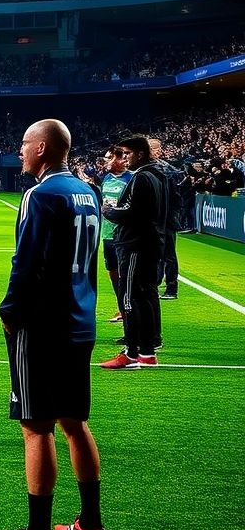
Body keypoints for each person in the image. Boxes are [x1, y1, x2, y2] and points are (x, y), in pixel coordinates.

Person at [0, 119, 106, 530]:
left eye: (25, 143)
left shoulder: (40, 194)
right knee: (74, 422)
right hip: (79, 321)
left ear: (41, 148)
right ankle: (91, 525)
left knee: (36, 427)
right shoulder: (87, 192)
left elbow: (26, 262)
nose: (20, 150)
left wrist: (9, 313)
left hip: (41, 326)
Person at [100, 135, 168, 369]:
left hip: (135, 245)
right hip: (151, 243)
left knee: (129, 298)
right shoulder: (158, 176)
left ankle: (131, 352)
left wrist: (109, 212)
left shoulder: (142, 178)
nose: (126, 158)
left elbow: (134, 213)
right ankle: (147, 352)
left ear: (140, 154)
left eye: (128, 154)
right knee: (146, 296)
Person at [97, 146, 132, 324]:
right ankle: (121, 308)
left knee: (126, 275)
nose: (106, 161)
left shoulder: (131, 178)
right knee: (113, 273)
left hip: (124, 235)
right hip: (107, 233)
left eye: (109, 157)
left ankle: (129, 311)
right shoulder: (107, 178)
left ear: (120, 159)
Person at [148, 137, 183, 300]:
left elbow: (175, 197)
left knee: (168, 255)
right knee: (157, 254)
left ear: (158, 151)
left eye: (151, 148)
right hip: (159, 219)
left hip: (166, 219)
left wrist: (171, 215)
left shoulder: (166, 170)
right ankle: (156, 284)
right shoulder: (157, 168)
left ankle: (171, 288)